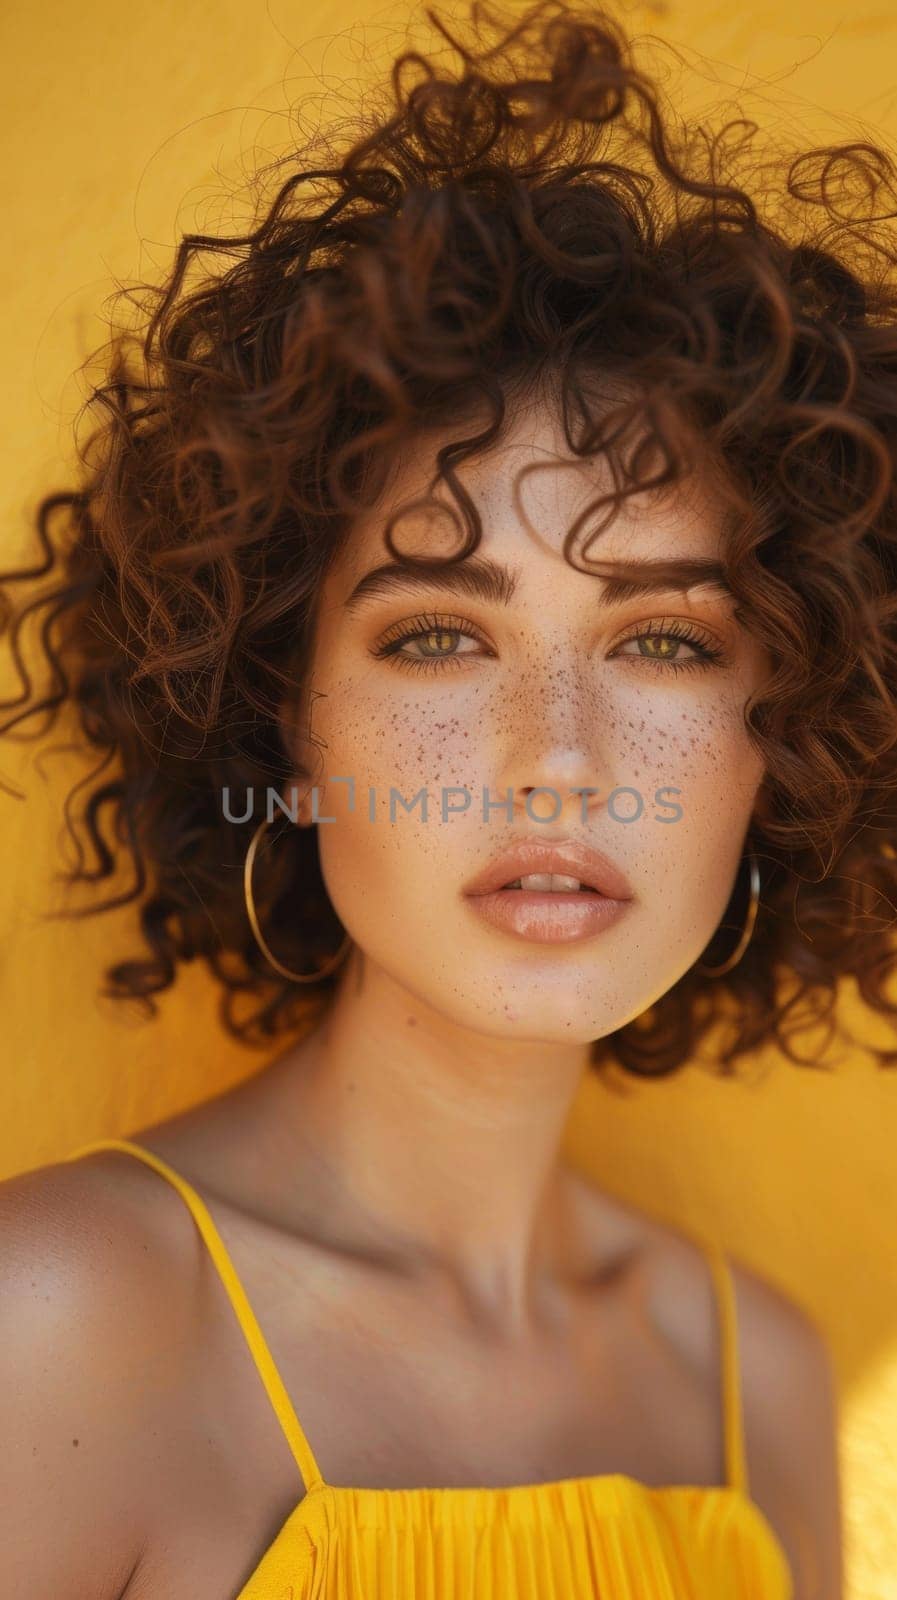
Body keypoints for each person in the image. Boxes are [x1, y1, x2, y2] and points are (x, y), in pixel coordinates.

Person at [10, 0, 897, 1592]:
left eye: (662, 641)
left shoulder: (760, 1384)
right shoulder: (56, 1328)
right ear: (283, 725)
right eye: (435, 633)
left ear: (793, 731)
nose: (556, 754)